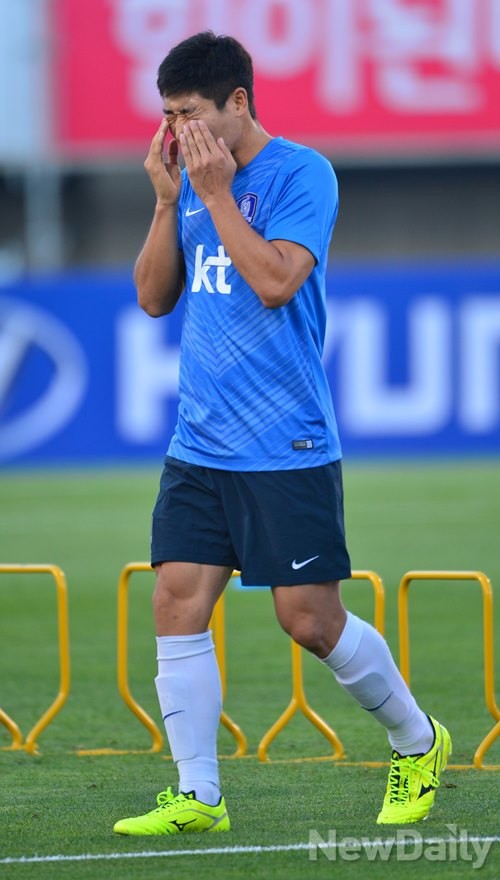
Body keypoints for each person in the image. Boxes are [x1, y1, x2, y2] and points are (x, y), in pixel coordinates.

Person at [113, 31, 450, 836]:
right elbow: (154, 300)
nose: (176, 131)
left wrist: (214, 196)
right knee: (175, 599)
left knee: (308, 620)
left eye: (189, 113)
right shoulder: (190, 181)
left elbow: (274, 282)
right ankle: (199, 795)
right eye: (167, 115)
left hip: (284, 441)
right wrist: (165, 200)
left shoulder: (302, 173)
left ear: (238, 102)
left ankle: (418, 740)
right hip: (199, 441)